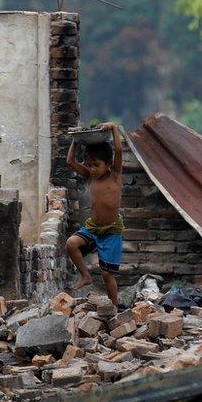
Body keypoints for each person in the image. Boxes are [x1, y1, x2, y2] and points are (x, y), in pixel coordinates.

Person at [65, 122, 124, 304]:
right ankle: (85, 276)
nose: (91, 169)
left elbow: (119, 150)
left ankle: (113, 307)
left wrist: (114, 128)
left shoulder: (114, 175)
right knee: (71, 243)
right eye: (89, 165)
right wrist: (76, 139)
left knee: (107, 274)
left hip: (111, 230)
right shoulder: (90, 176)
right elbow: (70, 161)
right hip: (93, 227)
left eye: (96, 165)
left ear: (108, 164)